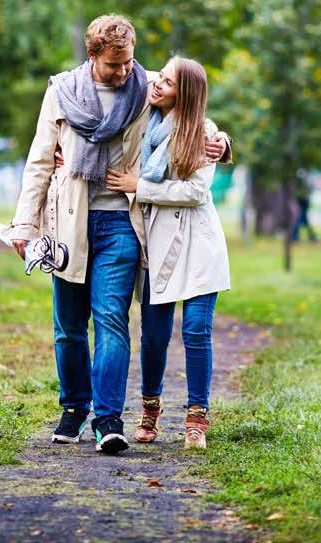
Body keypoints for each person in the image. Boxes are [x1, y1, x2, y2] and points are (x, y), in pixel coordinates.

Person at [8, 15, 230, 454]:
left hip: (122, 223)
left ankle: (108, 419)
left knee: (111, 319)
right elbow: (38, 162)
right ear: (93, 56)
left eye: (130, 62)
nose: (126, 72)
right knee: (69, 326)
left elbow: (190, 114)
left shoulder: (146, 88)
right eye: (115, 65)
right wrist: (23, 224)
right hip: (70, 221)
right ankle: (74, 407)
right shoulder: (61, 93)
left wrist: (222, 141)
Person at [105, 55, 230, 450]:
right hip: (156, 243)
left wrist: (139, 186)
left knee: (196, 330)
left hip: (198, 245)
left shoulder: (203, 133)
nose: (157, 84)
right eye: (160, 76)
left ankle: (196, 418)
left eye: (169, 83)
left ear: (186, 94)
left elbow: (195, 193)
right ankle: (150, 409)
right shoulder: (144, 123)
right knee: (154, 336)